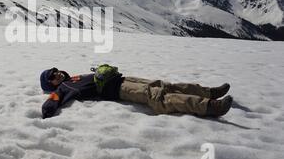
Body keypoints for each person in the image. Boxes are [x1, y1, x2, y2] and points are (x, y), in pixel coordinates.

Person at [40, 67, 233, 119]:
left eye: (55, 71)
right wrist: (47, 111)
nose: (57, 74)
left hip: (122, 79)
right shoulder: (63, 89)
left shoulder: (72, 78)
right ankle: (209, 107)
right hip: (116, 89)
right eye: (52, 76)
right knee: (157, 97)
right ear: (50, 85)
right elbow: (52, 101)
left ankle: (209, 92)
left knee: (164, 85)